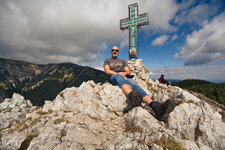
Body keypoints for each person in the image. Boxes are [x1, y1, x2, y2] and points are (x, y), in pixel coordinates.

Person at [103, 46, 175, 121]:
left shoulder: (123, 61)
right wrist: (119, 74)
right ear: (111, 51)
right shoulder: (107, 60)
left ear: (118, 52)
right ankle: (133, 98)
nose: (115, 51)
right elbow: (107, 71)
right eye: (113, 50)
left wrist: (123, 74)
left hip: (124, 76)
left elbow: (128, 71)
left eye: (116, 50)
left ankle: (155, 106)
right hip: (113, 77)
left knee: (134, 84)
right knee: (119, 77)